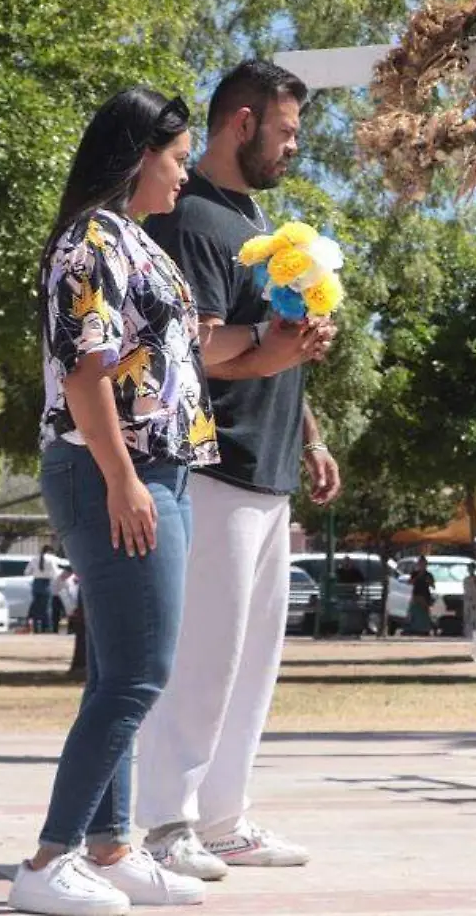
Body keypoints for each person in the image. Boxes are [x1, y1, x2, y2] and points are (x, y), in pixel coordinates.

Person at [14, 87, 256, 915]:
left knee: (122, 674)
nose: (186, 174)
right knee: (138, 676)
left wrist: (275, 342)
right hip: (113, 470)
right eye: (178, 157)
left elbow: (190, 356)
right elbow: (86, 371)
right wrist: (122, 480)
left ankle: (112, 850)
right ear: (137, 156)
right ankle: (49, 861)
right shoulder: (90, 241)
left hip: (164, 472)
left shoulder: (134, 242)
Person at [136, 61, 338, 878]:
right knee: (204, 656)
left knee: (253, 660)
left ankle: (223, 818)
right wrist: (268, 350)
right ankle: (164, 825)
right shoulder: (189, 221)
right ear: (243, 123)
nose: (294, 148)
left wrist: (314, 436)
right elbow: (198, 346)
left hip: (272, 466)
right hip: (212, 467)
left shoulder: (254, 222)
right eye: (286, 132)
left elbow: (270, 344)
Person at [26, 545, 63, 634]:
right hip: (46, 584)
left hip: (36, 583)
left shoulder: (34, 559)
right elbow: (55, 573)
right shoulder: (51, 559)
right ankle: (47, 628)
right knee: (47, 608)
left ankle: (36, 628)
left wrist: (36, 572)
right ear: (50, 551)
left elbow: (27, 572)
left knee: (36, 606)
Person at [406, 557, 436, 637]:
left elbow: (433, 586)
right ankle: (414, 629)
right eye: (420, 564)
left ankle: (425, 629)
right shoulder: (414, 573)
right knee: (415, 613)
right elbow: (409, 583)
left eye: (424, 564)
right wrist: (418, 577)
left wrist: (429, 581)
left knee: (424, 613)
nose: (422, 566)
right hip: (416, 595)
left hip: (425, 596)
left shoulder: (428, 575)